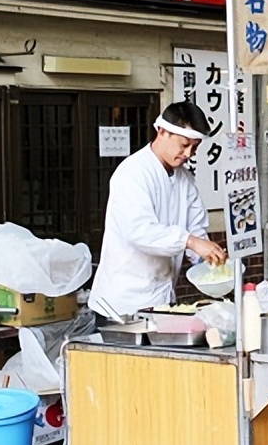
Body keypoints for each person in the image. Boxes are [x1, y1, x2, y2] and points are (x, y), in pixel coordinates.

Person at [89, 102, 227, 320]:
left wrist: (206, 259)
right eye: (184, 145)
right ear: (162, 131)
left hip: (161, 300)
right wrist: (190, 242)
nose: (188, 153)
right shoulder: (133, 173)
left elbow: (195, 228)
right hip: (121, 304)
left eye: (195, 147)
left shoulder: (185, 180)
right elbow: (140, 232)